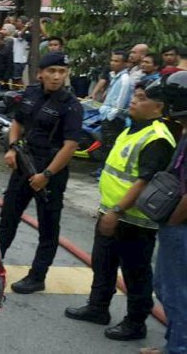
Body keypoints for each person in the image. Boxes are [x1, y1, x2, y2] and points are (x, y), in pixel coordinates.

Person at [66, 81, 175, 341]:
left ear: (158, 107)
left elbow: (144, 181)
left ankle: (136, 322)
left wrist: (117, 210)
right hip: (112, 211)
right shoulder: (133, 130)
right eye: (134, 96)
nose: (133, 101)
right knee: (103, 263)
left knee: (135, 272)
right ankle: (97, 307)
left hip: (134, 220)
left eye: (141, 97)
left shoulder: (157, 138)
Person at [0, 52, 84, 293]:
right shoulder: (31, 93)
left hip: (50, 170)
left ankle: (38, 276)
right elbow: (17, 123)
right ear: (41, 73)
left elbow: (70, 146)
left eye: (62, 72)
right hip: (23, 164)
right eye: (52, 71)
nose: (57, 77)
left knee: (48, 226)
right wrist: (12, 148)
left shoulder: (71, 105)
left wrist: (45, 175)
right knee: (8, 218)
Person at [142, 71, 187, 354]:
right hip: (177, 226)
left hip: (181, 227)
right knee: (166, 286)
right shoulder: (184, 131)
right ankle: (175, 342)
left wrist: (173, 221)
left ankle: (178, 348)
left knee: (174, 290)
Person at [100, 51, 134, 156]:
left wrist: (110, 117)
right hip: (107, 115)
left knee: (110, 146)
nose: (113, 63)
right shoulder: (115, 76)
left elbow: (121, 102)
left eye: (116, 61)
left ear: (125, 64)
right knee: (105, 144)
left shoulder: (124, 80)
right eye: (112, 60)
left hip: (114, 119)